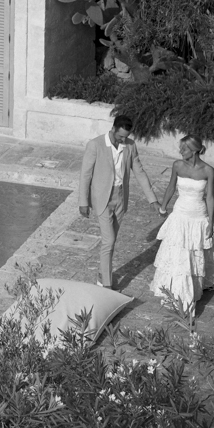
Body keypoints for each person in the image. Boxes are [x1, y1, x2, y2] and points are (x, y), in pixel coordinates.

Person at [75, 107, 162, 290]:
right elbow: (85, 175)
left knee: (111, 241)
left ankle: (102, 274)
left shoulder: (130, 146)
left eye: (126, 136)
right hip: (102, 199)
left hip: (121, 198)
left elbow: (139, 171)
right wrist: (83, 202)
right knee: (108, 241)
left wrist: (152, 200)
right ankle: (106, 285)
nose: (123, 140)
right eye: (121, 136)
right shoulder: (95, 145)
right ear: (113, 129)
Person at [150, 133, 214, 315]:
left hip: (198, 216)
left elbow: (210, 197)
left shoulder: (208, 170)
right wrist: (163, 207)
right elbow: (171, 187)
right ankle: (175, 294)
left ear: (195, 150)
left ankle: (193, 290)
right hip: (180, 215)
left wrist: (211, 223)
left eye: (185, 149)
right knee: (177, 254)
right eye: (181, 148)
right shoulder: (177, 165)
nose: (181, 151)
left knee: (194, 254)